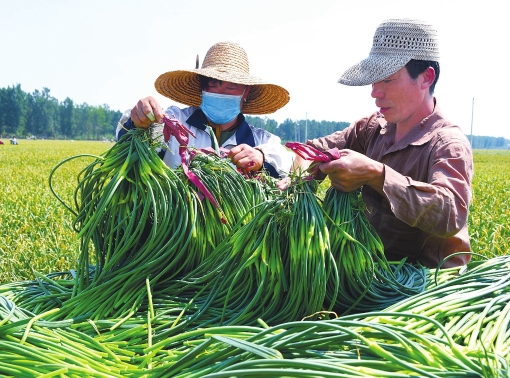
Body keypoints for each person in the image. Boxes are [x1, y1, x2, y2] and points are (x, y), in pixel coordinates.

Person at [292, 19, 473, 268]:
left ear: (425, 78)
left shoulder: (446, 143)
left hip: (425, 283)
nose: (375, 92)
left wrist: (376, 175)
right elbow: (313, 149)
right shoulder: (372, 128)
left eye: (387, 80)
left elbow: (450, 214)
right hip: (371, 274)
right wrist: (299, 175)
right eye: (374, 81)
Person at [116, 41, 294, 178]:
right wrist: (139, 121)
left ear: (246, 91)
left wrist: (260, 157)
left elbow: (284, 164)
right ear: (202, 87)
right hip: (174, 223)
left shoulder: (259, 140)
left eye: (231, 87)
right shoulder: (174, 122)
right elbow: (126, 140)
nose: (221, 92)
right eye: (213, 84)